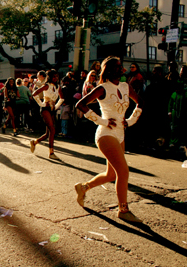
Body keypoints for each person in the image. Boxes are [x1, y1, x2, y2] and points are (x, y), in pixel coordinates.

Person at [75, 56, 144, 223]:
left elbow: (140, 103)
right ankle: (123, 210)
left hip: (120, 133)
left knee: (111, 174)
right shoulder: (102, 88)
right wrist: (102, 121)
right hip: (105, 134)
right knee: (123, 171)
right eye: (119, 67)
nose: (123, 69)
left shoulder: (126, 87)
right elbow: (81, 105)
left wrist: (131, 121)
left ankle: (83, 187)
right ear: (111, 70)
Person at [30, 69, 64, 159]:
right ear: (50, 77)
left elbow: (62, 98)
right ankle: (51, 153)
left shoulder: (58, 87)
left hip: (52, 109)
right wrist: (42, 104)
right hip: (45, 109)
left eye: (57, 76)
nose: (55, 78)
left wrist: (56, 106)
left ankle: (34, 142)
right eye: (54, 76)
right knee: (52, 129)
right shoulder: (46, 86)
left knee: (48, 133)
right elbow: (34, 93)